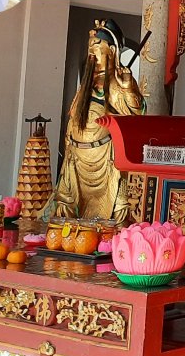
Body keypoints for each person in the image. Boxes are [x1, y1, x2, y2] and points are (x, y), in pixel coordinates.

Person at [49, 19, 145, 221]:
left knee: (117, 209)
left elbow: (136, 116)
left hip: (106, 159)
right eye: (89, 47)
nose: (91, 51)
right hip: (77, 160)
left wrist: (128, 88)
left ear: (111, 49)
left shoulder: (118, 82)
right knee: (66, 206)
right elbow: (73, 119)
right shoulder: (85, 86)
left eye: (96, 45)